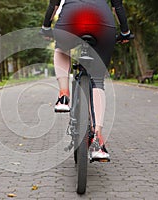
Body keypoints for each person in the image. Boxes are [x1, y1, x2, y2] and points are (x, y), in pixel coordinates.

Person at [41, 0, 131, 159]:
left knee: (61, 49)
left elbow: (54, 4)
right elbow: (117, 6)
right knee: (97, 79)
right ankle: (98, 142)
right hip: (102, 23)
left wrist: (46, 27)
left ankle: (63, 96)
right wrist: (125, 31)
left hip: (71, 20)